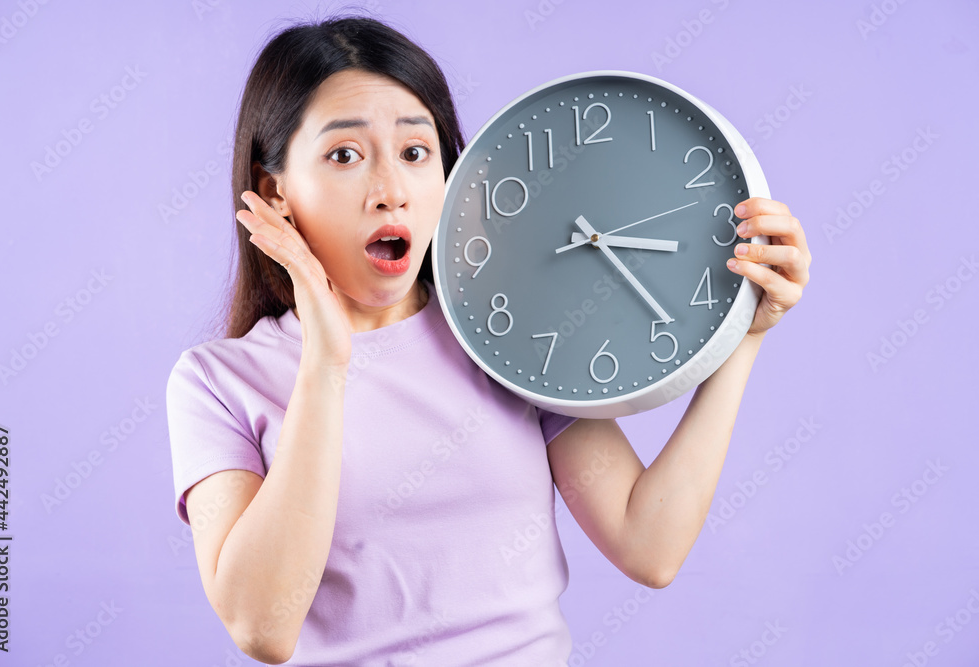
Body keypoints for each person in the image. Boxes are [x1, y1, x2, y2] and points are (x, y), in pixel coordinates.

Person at [165, 14, 812, 667]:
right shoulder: (216, 382)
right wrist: (325, 365)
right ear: (273, 192)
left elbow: (649, 544)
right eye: (345, 156)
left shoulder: (508, 332)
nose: (391, 192)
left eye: (416, 153)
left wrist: (745, 336)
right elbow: (263, 627)